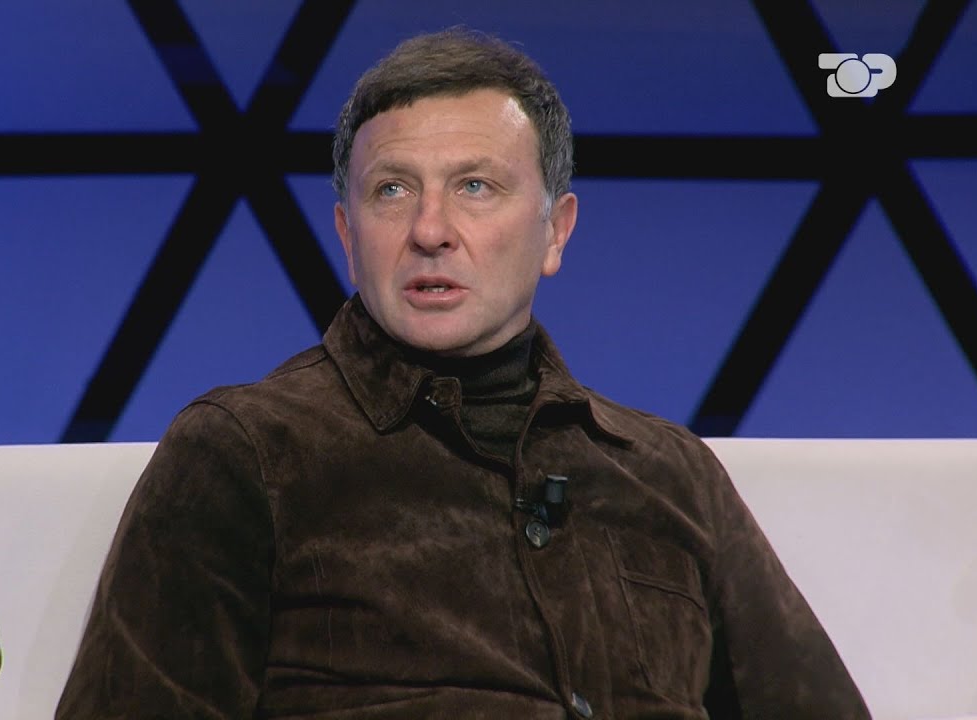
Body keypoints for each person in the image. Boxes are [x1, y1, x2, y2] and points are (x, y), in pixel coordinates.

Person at [56, 28, 871, 719]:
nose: (430, 230)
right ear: (348, 235)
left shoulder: (670, 475)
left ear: (556, 231)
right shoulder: (248, 454)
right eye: (392, 190)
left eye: (475, 186)